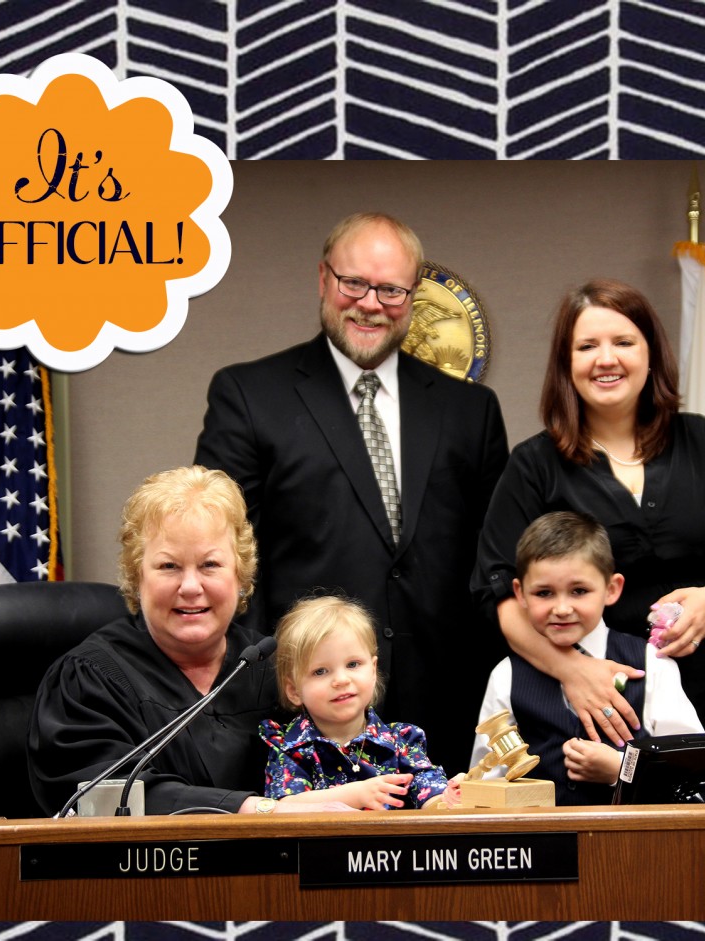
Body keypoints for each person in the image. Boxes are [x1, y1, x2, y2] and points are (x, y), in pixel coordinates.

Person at [194, 211, 509, 774]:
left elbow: (493, 562)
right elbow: (224, 558)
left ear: (413, 296)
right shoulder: (249, 394)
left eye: (391, 289)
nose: (370, 303)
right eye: (354, 283)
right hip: (304, 717)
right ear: (323, 279)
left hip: (448, 705)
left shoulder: (471, 411)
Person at [472, 278, 705, 742]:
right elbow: (496, 590)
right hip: (598, 699)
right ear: (566, 363)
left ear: (650, 353)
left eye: (623, 342)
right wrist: (574, 671)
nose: (606, 359)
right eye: (587, 346)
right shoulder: (535, 464)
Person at [29, 466, 341, 815]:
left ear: (239, 574)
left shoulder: (280, 670)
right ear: (137, 577)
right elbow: (101, 798)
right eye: (168, 567)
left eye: (210, 564)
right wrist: (256, 810)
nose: (191, 587)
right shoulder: (89, 680)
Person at [472, 511, 703, 805]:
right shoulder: (506, 675)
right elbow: (485, 785)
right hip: (543, 843)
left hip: (633, 842)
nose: (562, 608)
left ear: (611, 589)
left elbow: (691, 771)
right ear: (520, 593)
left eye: (579, 591)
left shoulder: (652, 664)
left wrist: (621, 770)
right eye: (544, 593)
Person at [260, 595, 461, 810]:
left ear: (373, 670)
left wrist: (449, 798)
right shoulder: (290, 748)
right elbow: (283, 806)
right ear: (294, 690)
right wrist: (354, 795)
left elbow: (428, 790)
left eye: (353, 664)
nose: (341, 680)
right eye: (320, 671)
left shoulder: (401, 742)